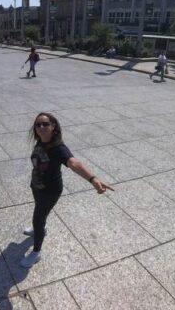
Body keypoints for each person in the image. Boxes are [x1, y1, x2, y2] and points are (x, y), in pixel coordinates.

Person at [21, 113, 113, 268]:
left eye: (45, 124)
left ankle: (36, 252)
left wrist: (93, 179)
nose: (41, 127)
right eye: (38, 125)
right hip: (37, 186)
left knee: (38, 217)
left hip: (50, 191)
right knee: (40, 212)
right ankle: (41, 227)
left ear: (53, 126)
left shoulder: (58, 148)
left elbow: (73, 162)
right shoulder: (41, 142)